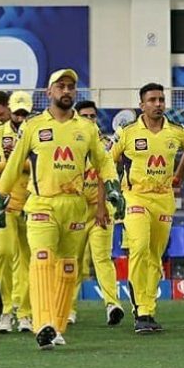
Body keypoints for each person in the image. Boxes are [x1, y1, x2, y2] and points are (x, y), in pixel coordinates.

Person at [0, 68, 125, 350]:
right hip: (42, 203)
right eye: (61, 86)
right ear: (49, 92)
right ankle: (43, 322)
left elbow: (104, 161)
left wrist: (113, 187)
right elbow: (13, 166)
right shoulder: (33, 126)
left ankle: (56, 328)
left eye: (71, 86)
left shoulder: (87, 128)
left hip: (75, 206)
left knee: (68, 266)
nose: (66, 91)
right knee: (42, 259)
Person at [111, 83, 184, 334]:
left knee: (155, 256)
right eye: (152, 100)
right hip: (135, 197)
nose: (158, 104)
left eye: (161, 99)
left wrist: (178, 175)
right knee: (139, 247)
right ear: (142, 105)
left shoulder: (178, 131)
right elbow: (107, 159)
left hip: (163, 199)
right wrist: (114, 188)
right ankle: (140, 309)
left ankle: (148, 310)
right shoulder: (127, 132)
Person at [0, 91, 34, 333]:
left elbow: (42, 166)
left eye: (25, 114)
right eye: (17, 113)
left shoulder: (36, 131)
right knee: (2, 253)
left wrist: (18, 163)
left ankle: (25, 313)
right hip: (4, 205)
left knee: (28, 260)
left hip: (32, 204)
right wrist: (10, 164)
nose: (20, 118)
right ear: (10, 111)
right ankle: (5, 310)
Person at [69, 100, 124, 326]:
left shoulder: (104, 144)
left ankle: (112, 304)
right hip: (75, 211)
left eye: (92, 116)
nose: (90, 120)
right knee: (74, 261)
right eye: (85, 116)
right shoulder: (69, 141)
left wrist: (102, 206)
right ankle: (68, 308)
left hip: (100, 211)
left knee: (102, 258)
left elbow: (105, 173)